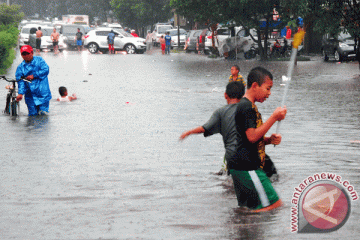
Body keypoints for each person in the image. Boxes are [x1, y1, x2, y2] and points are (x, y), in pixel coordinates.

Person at [231, 67, 287, 212]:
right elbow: (252, 137)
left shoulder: (248, 106)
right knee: (274, 205)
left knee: (247, 210)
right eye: (268, 88)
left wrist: (269, 140)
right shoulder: (246, 107)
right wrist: (274, 117)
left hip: (241, 167)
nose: (269, 93)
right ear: (255, 86)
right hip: (247, 167)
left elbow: (249, 137)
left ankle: (243, 232)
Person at [180, 81, 245, 170]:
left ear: (225, 95)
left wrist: (188, 132)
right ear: (243, 96)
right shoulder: (249, 110)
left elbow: (204, 128)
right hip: (248, 155)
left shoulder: (220, 112)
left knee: (230, 179)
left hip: (232, 155)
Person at [15, 45, 52, 116]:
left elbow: (46, 70)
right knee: (32, 115)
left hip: (42, 93)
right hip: (30, 95)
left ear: (32, 53)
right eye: (23, 54)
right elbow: (20, 81)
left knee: (43, 114)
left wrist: (34, 76)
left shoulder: (39, 60)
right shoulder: (20, 67)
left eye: (27, 53)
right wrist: (20, 93)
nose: (26, 56)